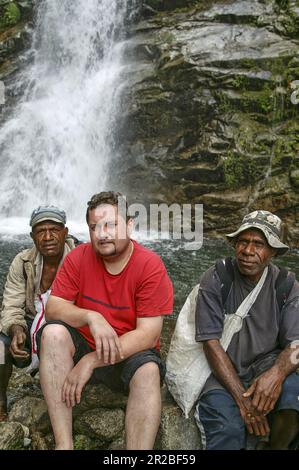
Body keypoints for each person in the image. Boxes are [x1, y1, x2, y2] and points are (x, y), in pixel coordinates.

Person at [37, 191, 173, 450]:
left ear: (129, 225)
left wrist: (92, 361)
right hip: (86, 343)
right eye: (94, 227)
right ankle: (64, 445)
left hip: (128, 355)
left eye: (111, 224)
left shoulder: (150, 266)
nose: (102, 234)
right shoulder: (78, 257)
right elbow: (53, 308)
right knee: (52, 333)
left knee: (149, 371)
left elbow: (149, 335)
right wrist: (91, 316)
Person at [194, 210, 299, 450]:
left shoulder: (286, 285)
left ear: (272, 252)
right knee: (228, 430)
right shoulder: (217, 278)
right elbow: (210, 343)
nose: (248, 251)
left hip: (265, 368)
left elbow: (296, 343)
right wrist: (244, 401)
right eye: (243, 241)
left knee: (294, 399)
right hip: (220, 376)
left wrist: (276, 375)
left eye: (258, 244)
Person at [0, 205, 74, 421]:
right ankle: (1, 402)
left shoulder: (80, 258)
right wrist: (17, 329)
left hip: (67, 326)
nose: (48, 237)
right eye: (41, 231)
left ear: (65, 233)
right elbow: (11, 305)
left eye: (54, 230)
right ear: (32, 236)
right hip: (32, 322)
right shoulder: (22, 262)